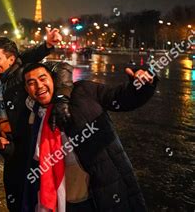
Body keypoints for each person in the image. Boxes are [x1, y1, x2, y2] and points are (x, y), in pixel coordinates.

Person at [21, 62, 157, 211]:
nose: (39, 86)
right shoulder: (34, 113)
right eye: (31, 83)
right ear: (27, 89)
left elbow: (119, 97)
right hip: (65, 196)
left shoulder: (83, 91)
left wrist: (140, 85)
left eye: (43, 78)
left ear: (53, 79)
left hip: (103, 186)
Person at [0, 32, 73, 212]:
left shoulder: (22, 76)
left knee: (27, 200)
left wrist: (61, 98)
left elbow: (63, 68)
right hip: (11, 150)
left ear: (11, 60)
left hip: (27, 152)